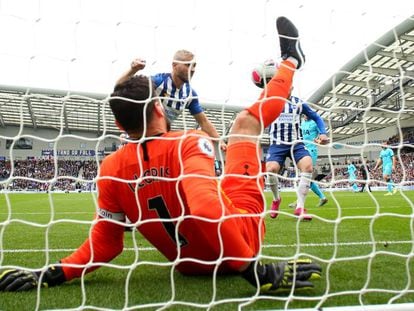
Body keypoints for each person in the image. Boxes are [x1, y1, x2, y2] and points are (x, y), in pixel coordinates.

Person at [0, 17, 321, 293]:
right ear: (157, 107)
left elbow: (107, 243)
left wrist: (51, 273)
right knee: (245, 123)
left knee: (208, 189)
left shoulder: (110, 168)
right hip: (241, 245)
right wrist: (256, 271)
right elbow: (207, 209)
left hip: (189, 265)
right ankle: (291, 62)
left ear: (118, 124)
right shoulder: (188, 143)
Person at [116, 50, 227, 151]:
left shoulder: (189, 94)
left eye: (194, 66)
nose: (192, 70)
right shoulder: (159, 82)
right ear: (174, 65)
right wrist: (133, 69)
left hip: (160, 138)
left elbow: (203, 122)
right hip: (138, 136)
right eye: (188, 65)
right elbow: (120, 87)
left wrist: (219, 140)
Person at [266, 96, 329, 220]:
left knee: (308, 166)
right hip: (277, 144)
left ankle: (300, 207)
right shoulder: (269, 100)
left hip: (296, 144)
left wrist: (322, 133)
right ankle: (276, 199)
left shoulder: (298, 103)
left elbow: (316, 116)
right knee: (270, 169)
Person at [287, 114, 329, 209]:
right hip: (303, 150)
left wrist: (318, 140)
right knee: (307, 179)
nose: (305, 115)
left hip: (312, 151)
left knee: (306, 176)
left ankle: (300, 201)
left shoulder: (314, 123)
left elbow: (323, 139)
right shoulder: (302, 123)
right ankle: (321, 198)